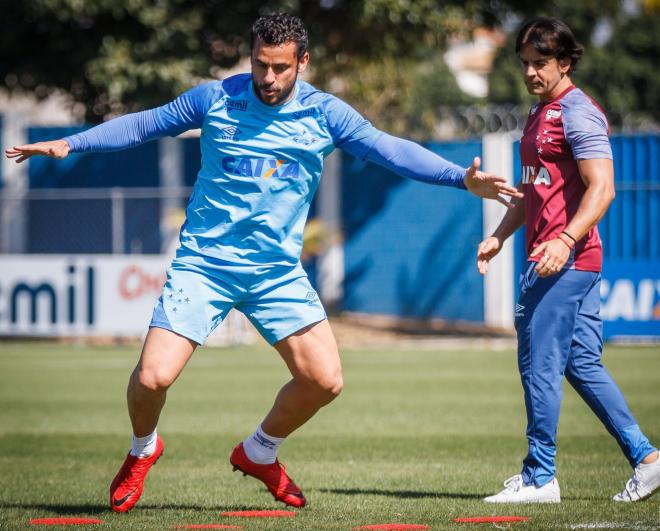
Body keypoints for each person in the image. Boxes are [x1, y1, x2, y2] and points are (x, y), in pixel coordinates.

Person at [6, 12, 520, 513]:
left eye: (280, 67)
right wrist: (71, 143)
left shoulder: (325, 114)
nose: (268, 78)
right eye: (259, 65)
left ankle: (259, 451)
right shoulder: (216, 98)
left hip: (276, 272)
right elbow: (146, 124)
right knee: (152, 379)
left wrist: (460, 178)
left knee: (324, 381)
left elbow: (391, 150)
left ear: (303, 62)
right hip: (204, 264)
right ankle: (143, 449)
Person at [476, 16, 659, 504]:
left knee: (538, 363)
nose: (530, 72)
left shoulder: (577, 112)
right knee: (581, 364)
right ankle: (647, 458)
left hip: (564, 262)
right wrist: (498, 236)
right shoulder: (539, 113)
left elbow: (603, 188)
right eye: (525, 63)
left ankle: (540, 476)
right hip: (563, 259)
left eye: (541, 63)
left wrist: (564, 240)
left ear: (565, 62)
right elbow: (532, 192)